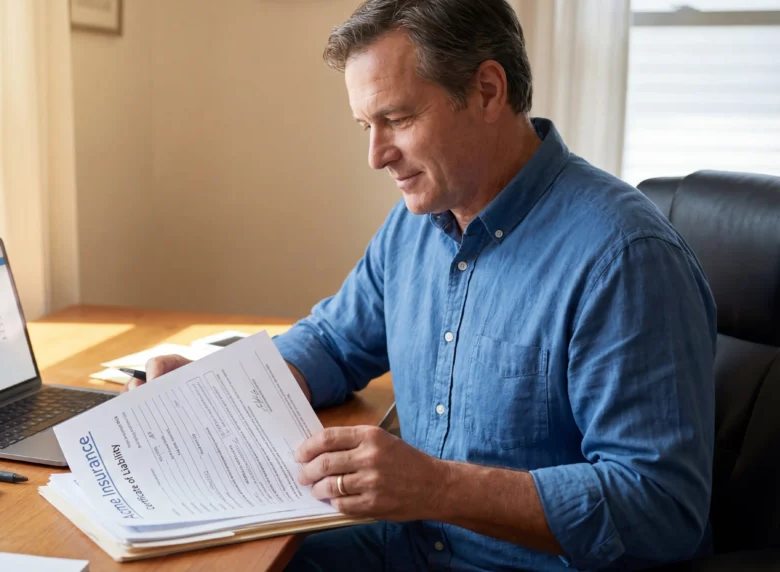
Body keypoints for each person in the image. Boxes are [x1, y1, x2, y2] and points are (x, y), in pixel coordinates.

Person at [125, 0, 717, 569]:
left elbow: (660, 506)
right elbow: (333, 341)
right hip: (404, 549)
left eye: (398, 119)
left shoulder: (625, 258)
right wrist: (213, 393)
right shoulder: (414, 228)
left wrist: (436, 487)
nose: (376, 155)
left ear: (487, 91)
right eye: (365, 125)